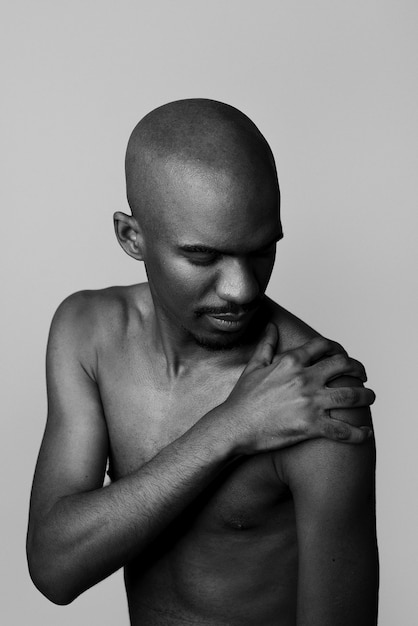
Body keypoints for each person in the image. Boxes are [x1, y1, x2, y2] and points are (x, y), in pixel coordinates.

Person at [27, 99, 378, 625]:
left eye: (261, 250)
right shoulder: (89, 333)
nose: (241, 290)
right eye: (204, 257)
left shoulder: (319, 397)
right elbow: (55, 568)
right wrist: (230, 428)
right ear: (132, 237)